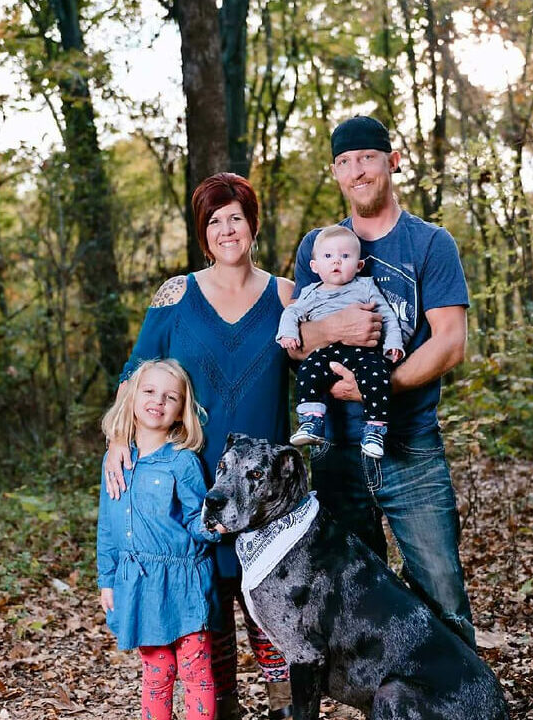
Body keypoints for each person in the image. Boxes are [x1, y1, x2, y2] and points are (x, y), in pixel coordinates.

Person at [104, 173, 294, 720]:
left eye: (235, 216)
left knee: (271, 617)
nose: (226, 229)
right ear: (202, 233)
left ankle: (288, 709)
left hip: (266, 496)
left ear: (253, 223)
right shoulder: (176, 294)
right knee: (206, 619)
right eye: (214, 220)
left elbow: (317, 375)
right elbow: (135, 373)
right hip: (190, 492)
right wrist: (119, 439)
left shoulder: (287, 294)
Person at [290, 115, 477, 650]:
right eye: (346, 162)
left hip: (409, 443)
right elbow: (298, 341)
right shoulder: (318, 247)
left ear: (391, 162)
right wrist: (334, 328)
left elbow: (450, 342)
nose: (358, 171)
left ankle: (462, 701)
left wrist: (377, 387)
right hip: (336, 449)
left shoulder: (429, 244)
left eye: (367, 158)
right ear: (335, 173)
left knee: (442, 590)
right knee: (352, 595)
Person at [97, 359, 220, 720]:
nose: (158, 401)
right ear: (132, 397)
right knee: (156, 674)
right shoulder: (114, 459)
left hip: (183, 582)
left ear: (182, 411)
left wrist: (217, 527)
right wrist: (107, 578)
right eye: (149, 391)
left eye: (171, 397)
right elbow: (108, 524)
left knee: (196, 673)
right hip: (139, 585)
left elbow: (197, 519)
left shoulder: (182, 462)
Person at [277, 224, 404, 458]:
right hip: (327, 352)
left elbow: (386, 316)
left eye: (345, 256)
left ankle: (374, 430)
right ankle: (311, 421)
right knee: (307, 372)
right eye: (328, 256)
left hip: (363, 352)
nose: (336, 261)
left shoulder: (365, 286)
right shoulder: (310, 293)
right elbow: (291, 313)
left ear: (359, 265)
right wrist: (288, 334)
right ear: (314, 266)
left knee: (377, 375)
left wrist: (393, 344)